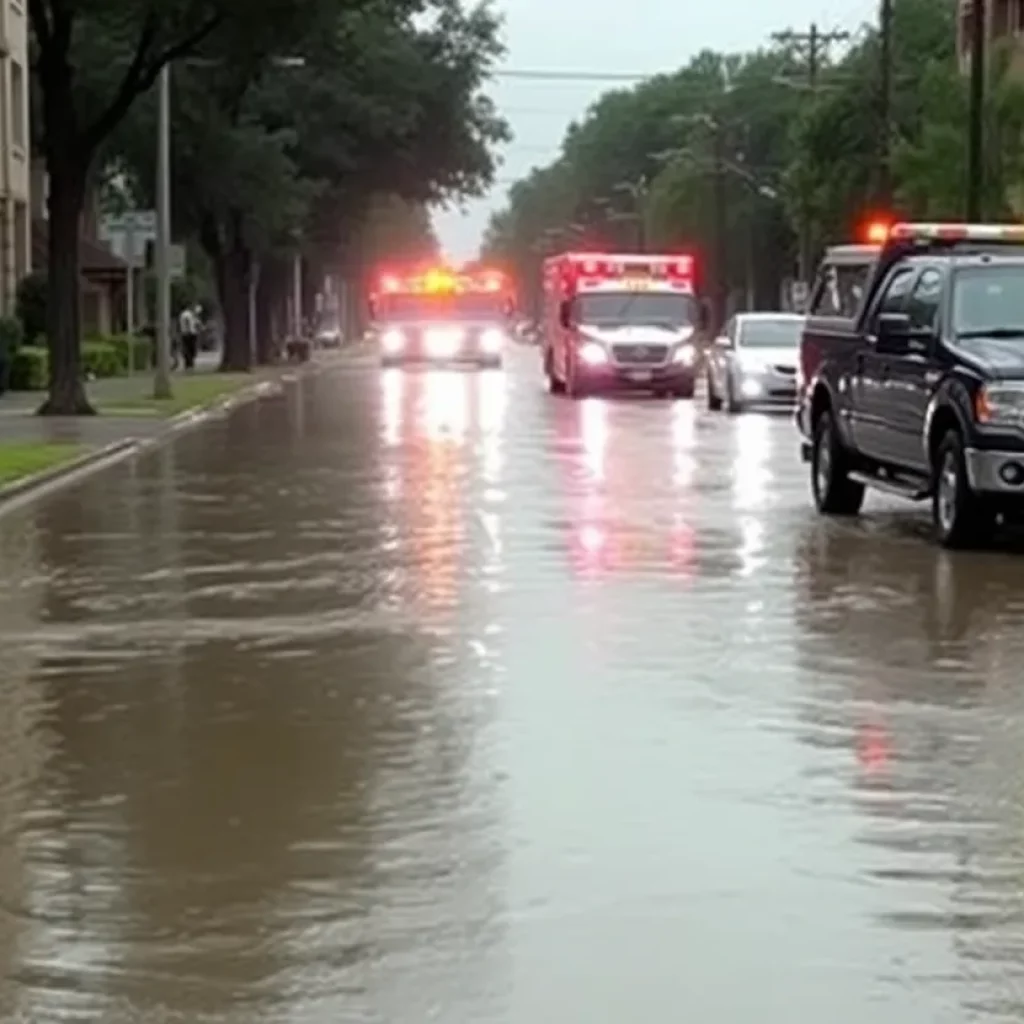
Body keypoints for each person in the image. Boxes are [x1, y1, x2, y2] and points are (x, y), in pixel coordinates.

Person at [178, 304, 199, 370]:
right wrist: (189, 330)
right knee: (190, 349)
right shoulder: (187, 314)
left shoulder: (184, 314)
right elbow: (187, 322)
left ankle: (188, 364)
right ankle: (190, 364)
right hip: (189, 333)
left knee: (188, 349)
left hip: (185, 333)